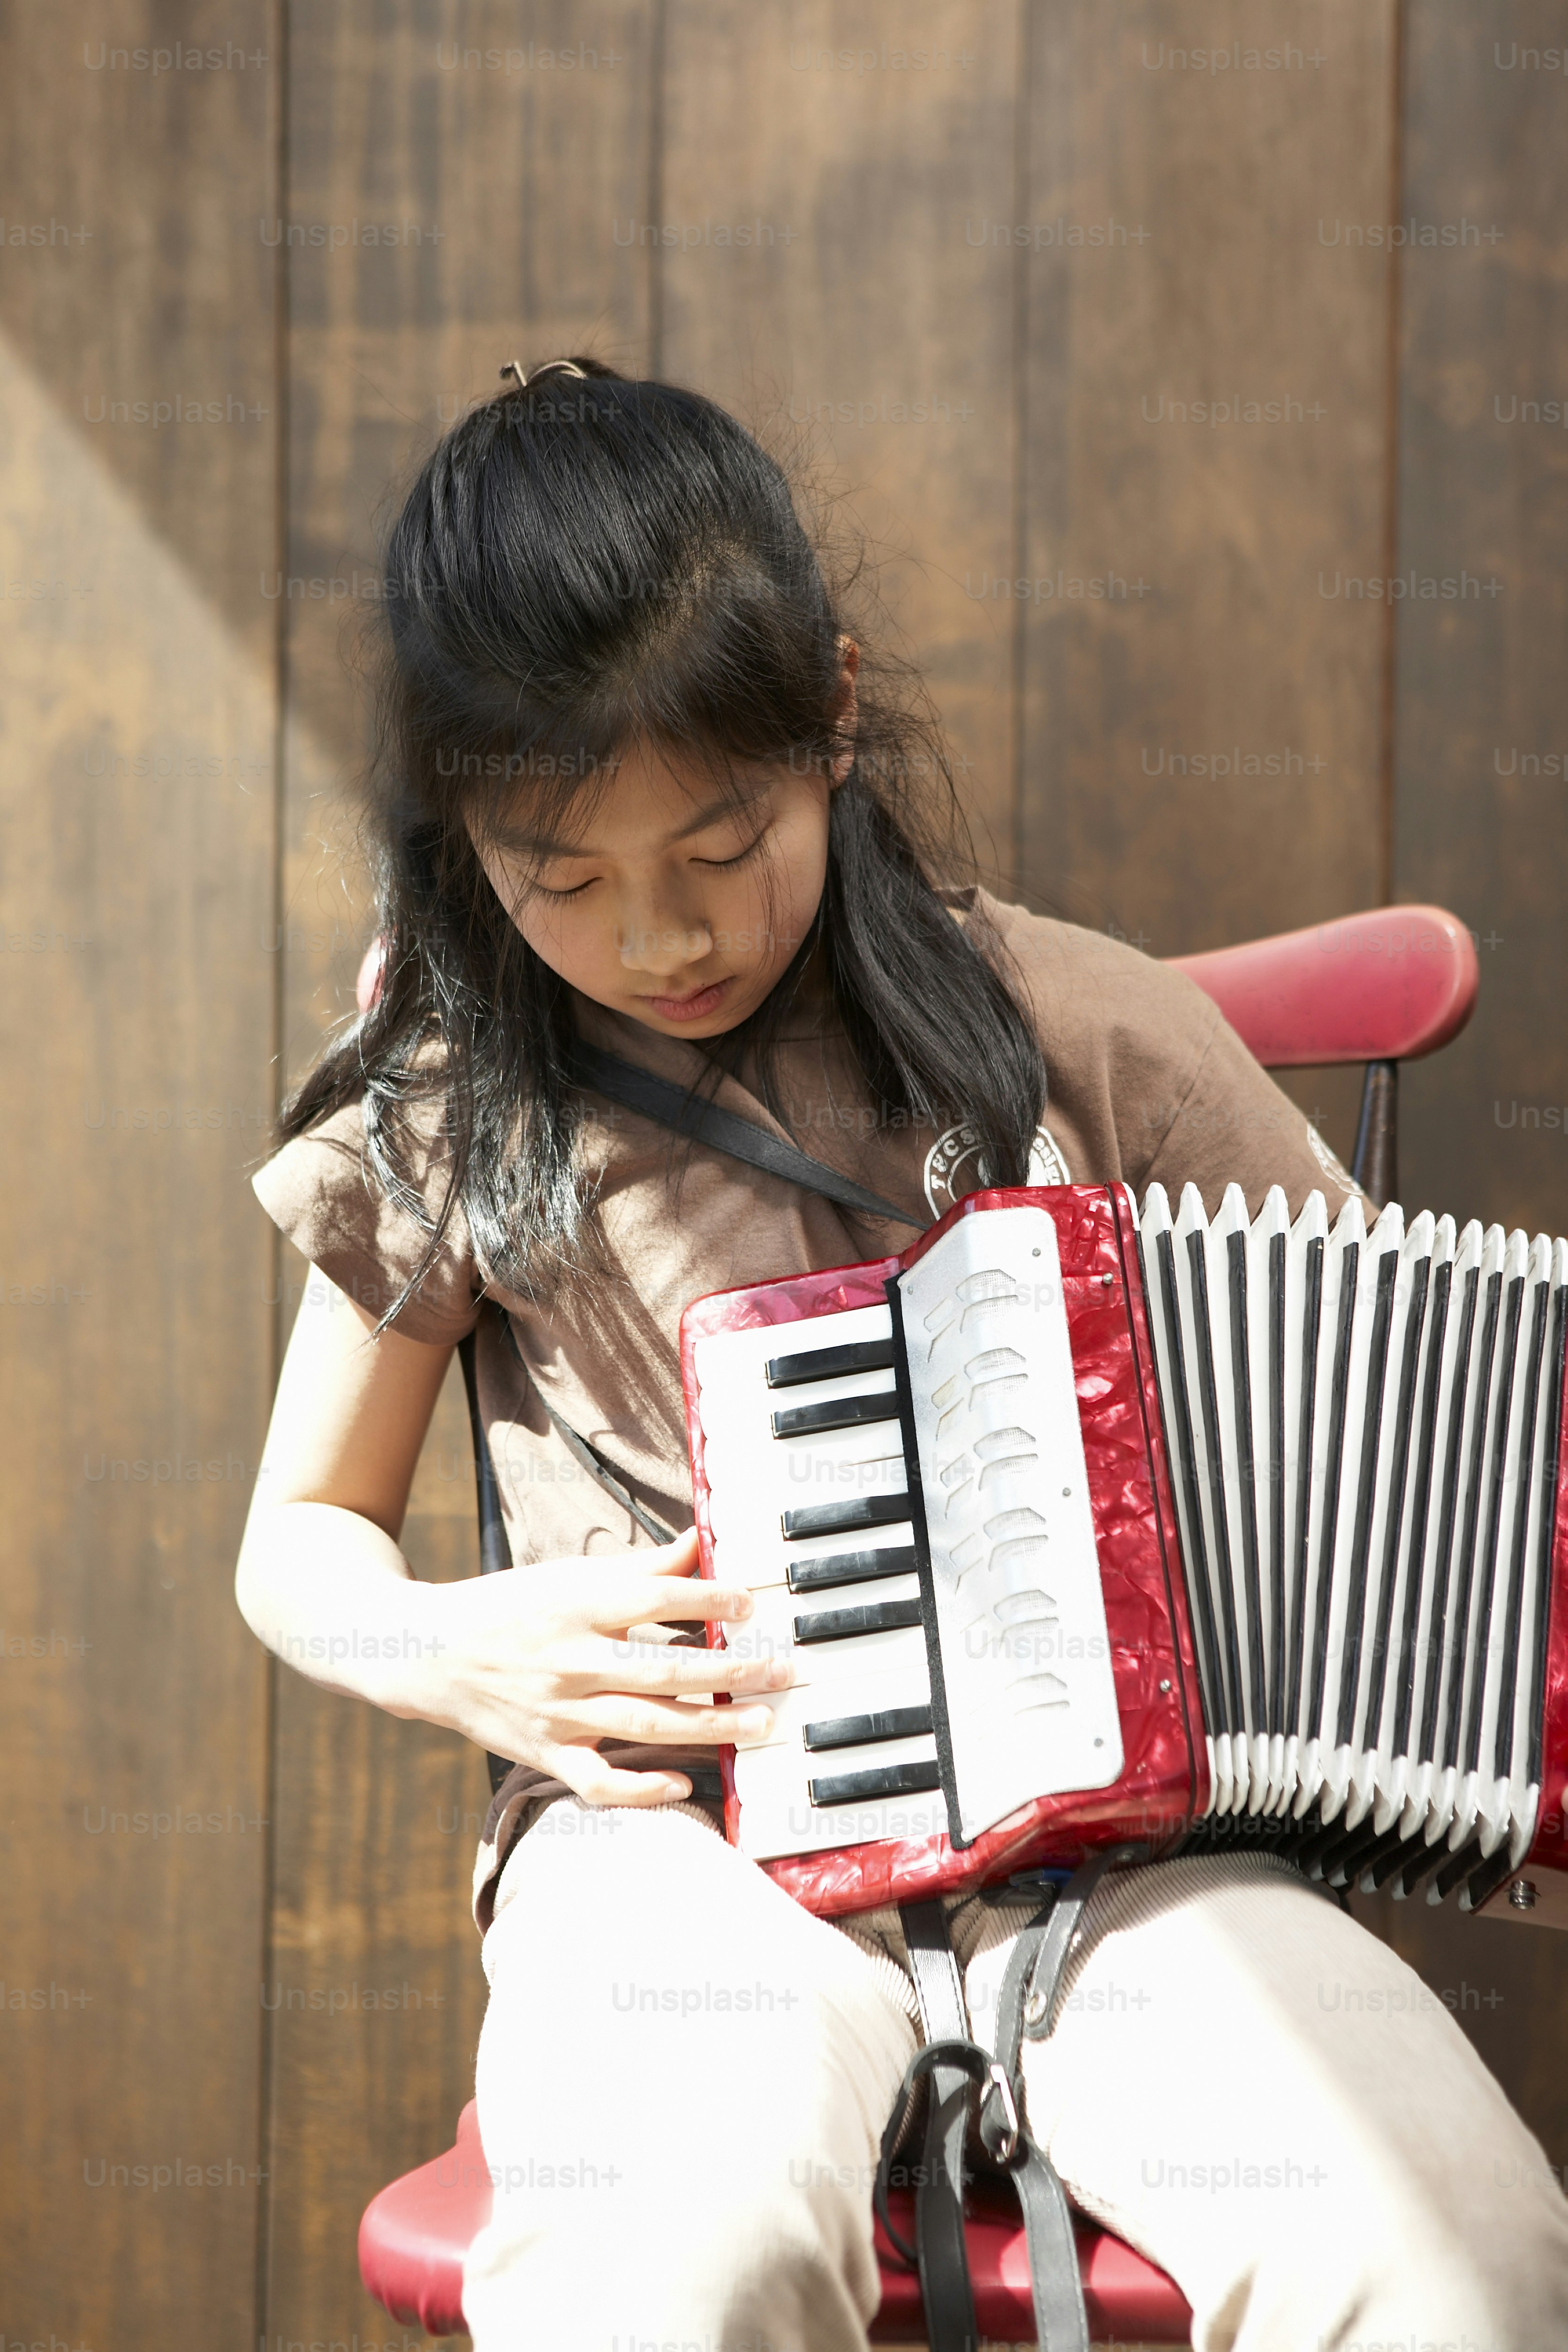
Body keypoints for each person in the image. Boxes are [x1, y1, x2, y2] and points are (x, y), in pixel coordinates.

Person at [235, 357, 1568, 2352]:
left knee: (1451, 2265)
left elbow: (1423, 1441)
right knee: (658, 2275)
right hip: (674, 1851)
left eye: (720, 844)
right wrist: (455, 1646)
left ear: (828, 717)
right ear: (462, 837)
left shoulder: (1083, 1030)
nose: (661, 939)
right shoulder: (461, 1099)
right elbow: (295, 1547)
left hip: (1123, 1866)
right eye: (561, 883)